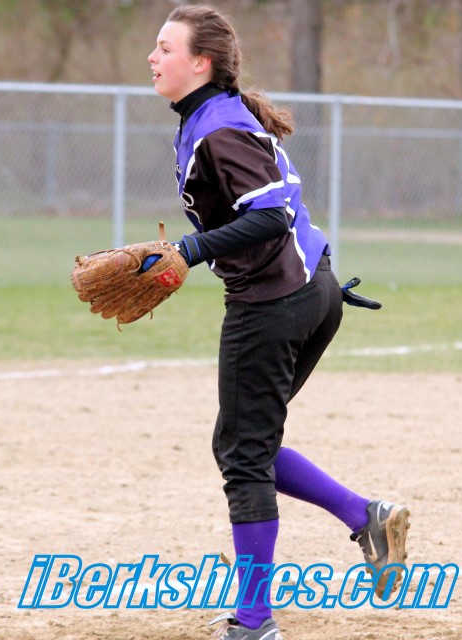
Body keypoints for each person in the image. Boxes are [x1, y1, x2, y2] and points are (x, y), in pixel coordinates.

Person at [147, 6, 410, 640]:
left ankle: (254, 621)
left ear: (201, 62)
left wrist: (188, 250)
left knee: (244, 457)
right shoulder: (214, 117)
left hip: (273, 303)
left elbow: (269, 218)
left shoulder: (219, 128)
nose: (153, 59)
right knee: (245, 444)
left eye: (165, 48)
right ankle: (365, 516)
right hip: (310, 290)